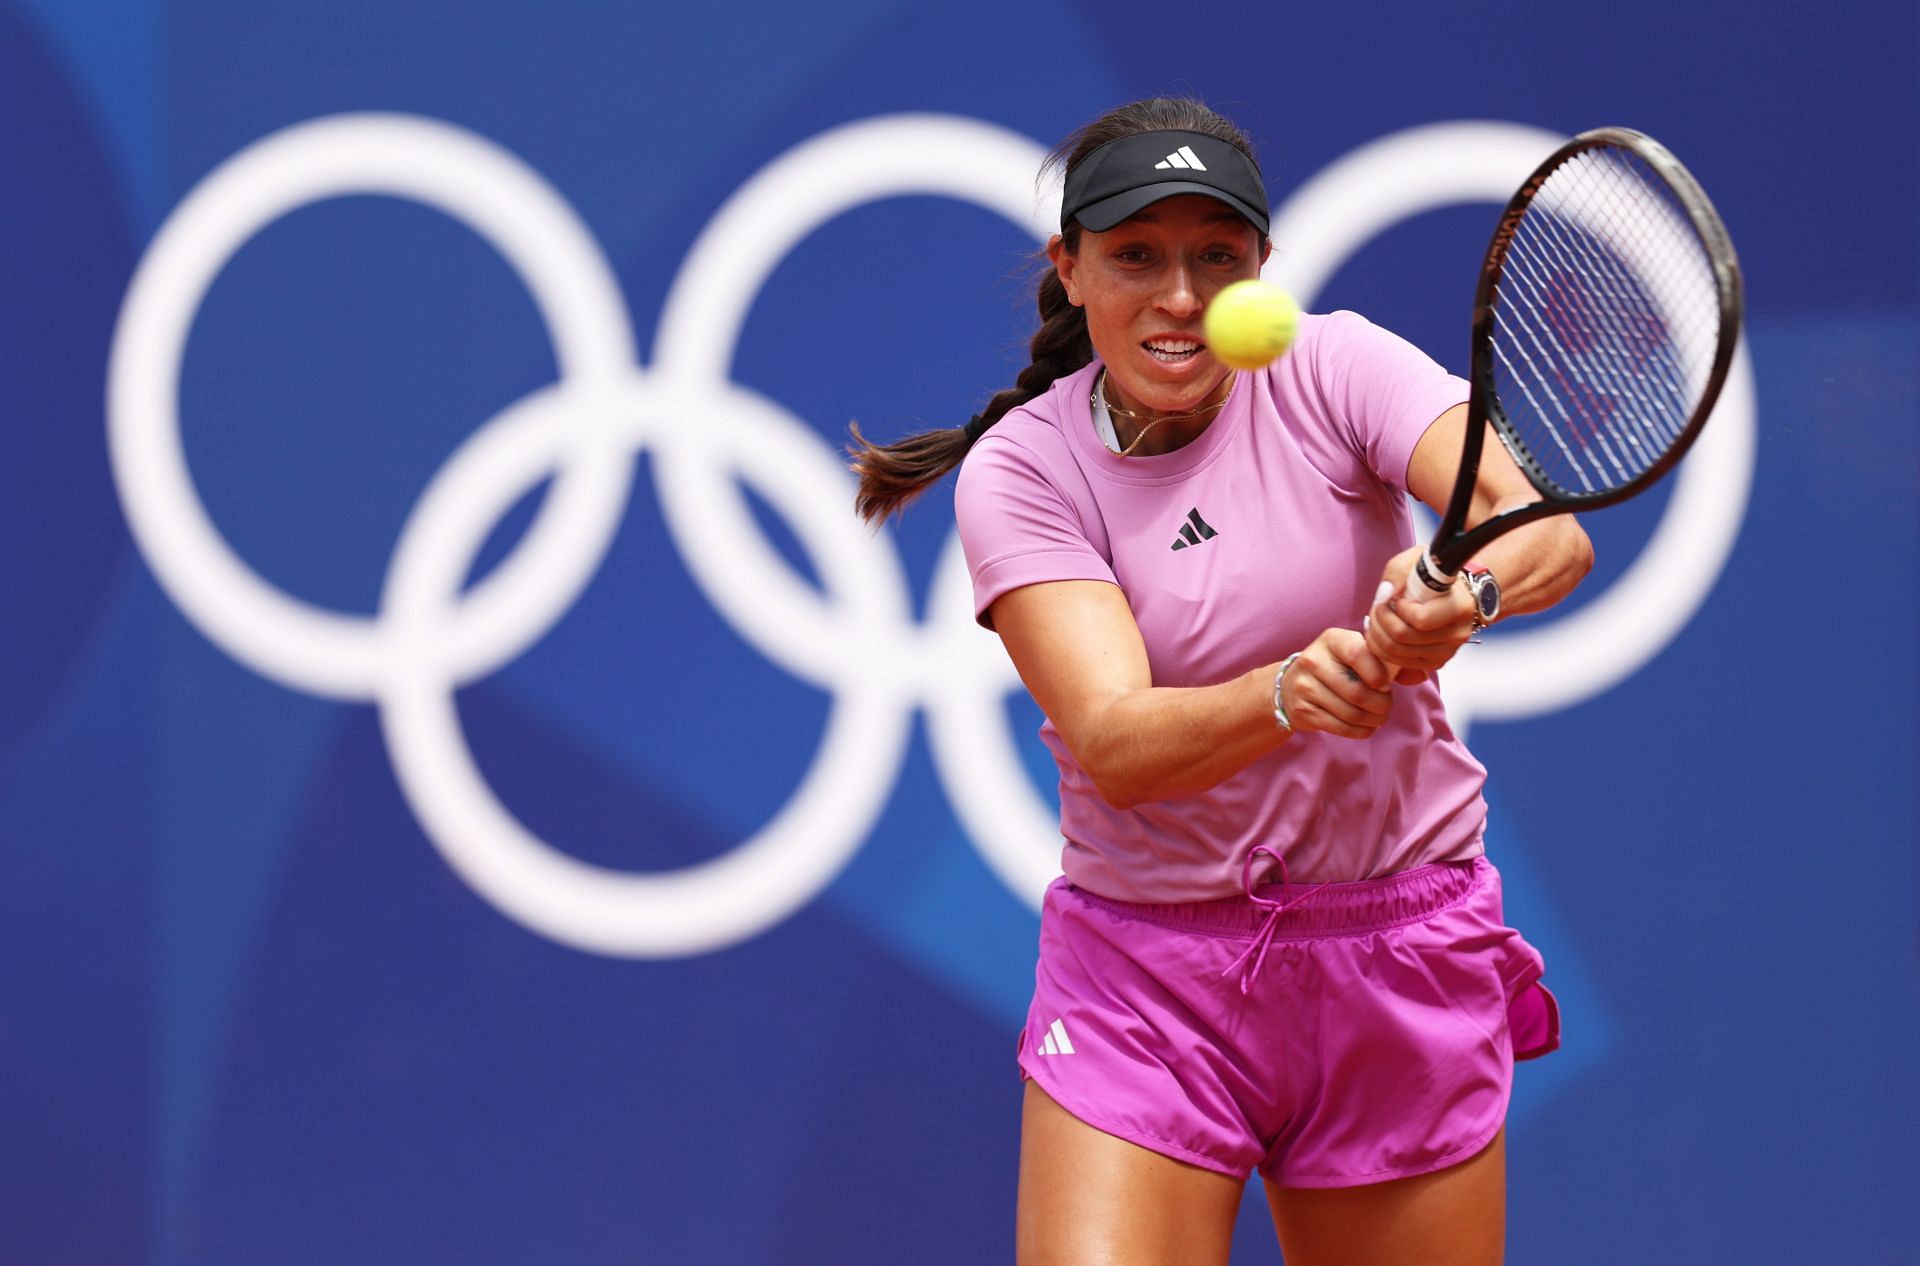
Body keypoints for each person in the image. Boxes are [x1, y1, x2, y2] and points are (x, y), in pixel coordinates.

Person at [850, 97, 1591, 1266]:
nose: (1180, 295)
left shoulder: (1331, 364)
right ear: (1071, 268)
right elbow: (1117, 743)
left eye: (1216, 256)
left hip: (1399, 952)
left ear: (1261, 268)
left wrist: (1471, 592)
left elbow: (1536, 523)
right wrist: (1291, 691)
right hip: (1150, 987)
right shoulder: (1025, 472)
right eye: (1136, 255)